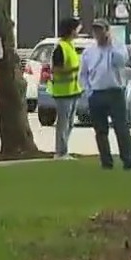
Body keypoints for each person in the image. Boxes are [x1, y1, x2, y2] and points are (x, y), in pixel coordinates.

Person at [79, 19, 131, 170]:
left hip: (115, 91)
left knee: (121, 127)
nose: (98, 34)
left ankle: (128, 160)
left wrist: (111, 45)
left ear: (107, 31)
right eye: (96, 31)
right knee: (100, 130)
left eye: (101, 30)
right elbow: (83, 74)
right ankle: (106, 161)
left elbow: (121, 62)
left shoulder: (118, 48)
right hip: (97, 93)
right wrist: (88, 90)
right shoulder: (89, 52)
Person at [49, 17, 83, 160]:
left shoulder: (70, 46)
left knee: (69, 123)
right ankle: (60, 152)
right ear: (71, 30)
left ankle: (64, 150)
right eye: (77, 29)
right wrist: (72, 70)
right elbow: (56, 69)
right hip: (63, 92)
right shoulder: (61, 48)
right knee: (63, 123)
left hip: (73, 90)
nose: (79, 32)